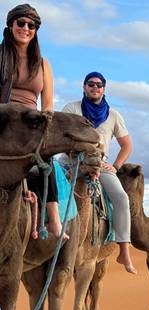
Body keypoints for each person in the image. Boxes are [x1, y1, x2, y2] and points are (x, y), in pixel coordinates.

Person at [0, 3, 65, 238]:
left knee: (45, 164)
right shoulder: (0, 57)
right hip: (3, 121)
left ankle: (54, 220)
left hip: (32, 124)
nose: (26, 28)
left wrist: (43, 127)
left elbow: (47, 105)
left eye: (32, 25)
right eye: (21, 23)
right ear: (10, 25)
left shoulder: (44, 65)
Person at [62, 72, 137, 274]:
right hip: (70, 161)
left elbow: (127, 145)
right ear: (84, 87)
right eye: (91, 84)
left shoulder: (113, 115)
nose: (95, 88)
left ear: (104, 89)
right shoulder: (72, 109)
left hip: (99, 165)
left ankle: (124, 251)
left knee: (121, 198)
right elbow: (61, 135)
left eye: (99, 85)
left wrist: (116, 166)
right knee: (45, 185)